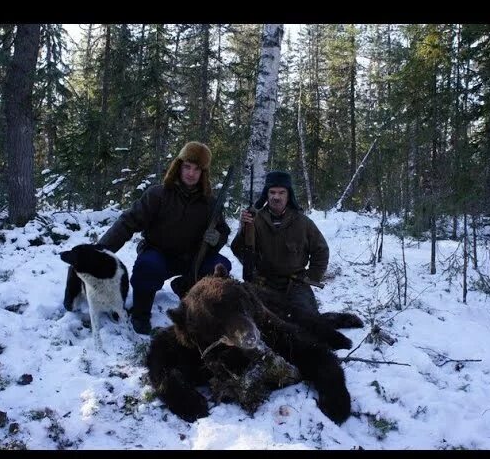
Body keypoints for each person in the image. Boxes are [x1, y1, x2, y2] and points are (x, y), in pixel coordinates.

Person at [66, 141, 231, 335]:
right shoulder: (158, 195)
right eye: (187, 166)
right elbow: (128, 222)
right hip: (158, 254)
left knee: (221, 265)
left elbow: (222, 232)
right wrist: (101, 249)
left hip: (192, 260)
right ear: (178, 166)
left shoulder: (210, 203)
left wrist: (216, 238)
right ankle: (140, 314)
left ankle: (187, 287)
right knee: (148, 266)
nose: (191, 173)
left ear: (203, 173)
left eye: (197, 169)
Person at [230, 170, 328, 317]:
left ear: (289, 195)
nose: (276, 197)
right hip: (264, 283)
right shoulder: (254, 220)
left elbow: (321, 250)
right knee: (256, 319)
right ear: (266, 194)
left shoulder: (303, 222)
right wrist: (243, 229)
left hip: (295, 283)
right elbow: (238, 249)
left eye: (281, 192)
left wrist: (311, 277)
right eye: (272, 192)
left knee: (307, 320)